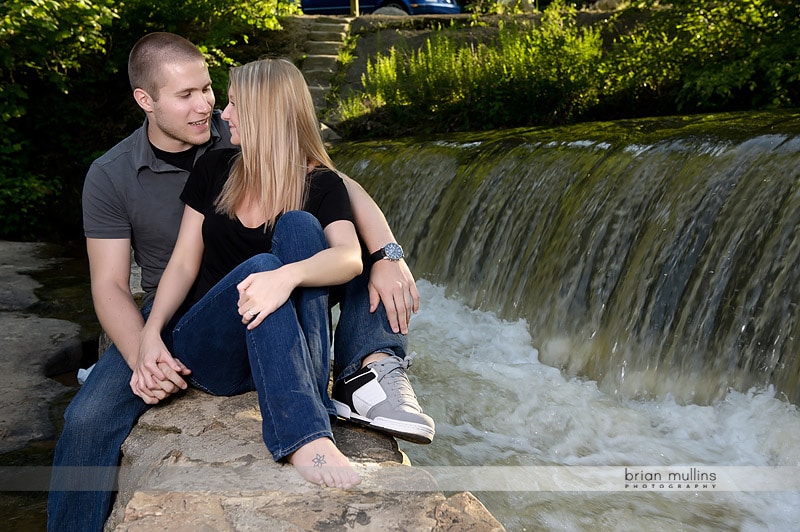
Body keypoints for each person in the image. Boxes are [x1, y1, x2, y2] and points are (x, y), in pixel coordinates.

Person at [47, 32, 432, 532]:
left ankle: (367, 373)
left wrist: (388, 252)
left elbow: (331, 182)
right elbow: (111, 285)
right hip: (185, 312)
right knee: (86, 420)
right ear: (146, 101)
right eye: (187, 95)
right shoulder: (116, 174)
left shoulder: (230, 139)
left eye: (209, 90)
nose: (208, 106)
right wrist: (144, 345)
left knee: (308, 236)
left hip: (274, 298)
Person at [137, 57, 363, 488]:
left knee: (299, 228)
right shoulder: (215, 168)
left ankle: (310, 401)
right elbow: (183, 262)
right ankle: (304, 436)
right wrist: (151, 331)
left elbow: (350, 258)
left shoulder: (321, 184)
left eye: (236, 104)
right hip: (209, 348)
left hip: (270, 360)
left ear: (267, 111)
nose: (223, 114)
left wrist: (288, 276)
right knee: (261, 266)